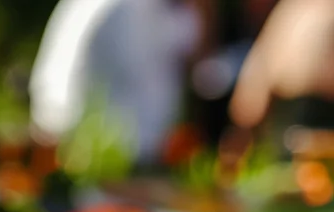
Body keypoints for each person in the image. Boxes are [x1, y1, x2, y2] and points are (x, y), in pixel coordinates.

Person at [29, 0, 208, 163]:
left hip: (64, 139)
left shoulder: (87, 6)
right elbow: (200, 57)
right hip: (111, 156)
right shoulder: (141, 13)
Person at [230, 0, 334, 130]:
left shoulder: (291, 9)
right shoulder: (293, 10)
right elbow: (248, 105)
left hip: (298, 114)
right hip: (296, 117)